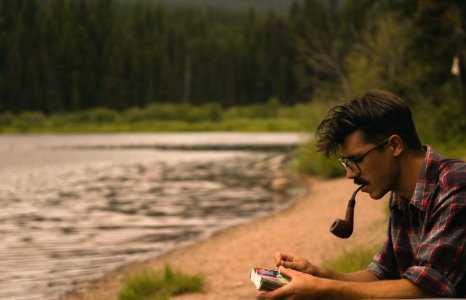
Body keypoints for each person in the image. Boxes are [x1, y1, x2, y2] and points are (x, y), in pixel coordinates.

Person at [257, 89, 466, 299]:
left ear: (394, 145)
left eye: (357, 160)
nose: (349, 174)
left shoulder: (456, 187)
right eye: (346, 163)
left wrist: (321, 289)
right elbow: (382, 274)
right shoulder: (401, 196)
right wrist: (318, 274)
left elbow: (426, 290)